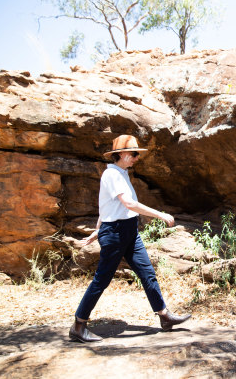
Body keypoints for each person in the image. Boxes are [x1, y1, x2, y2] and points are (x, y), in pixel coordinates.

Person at [69, 135, 191, 343]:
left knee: (147, 273)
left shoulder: (121, 173)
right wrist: (160, 214)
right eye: (134, 154)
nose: (136, 158)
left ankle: (164, 316)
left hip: (128, 231)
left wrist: (97, 229)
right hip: (115, 232)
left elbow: (107, 206)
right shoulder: (112, 175)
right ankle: (79, 325)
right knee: (102, 279)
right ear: (123, 154)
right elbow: (128, 204)